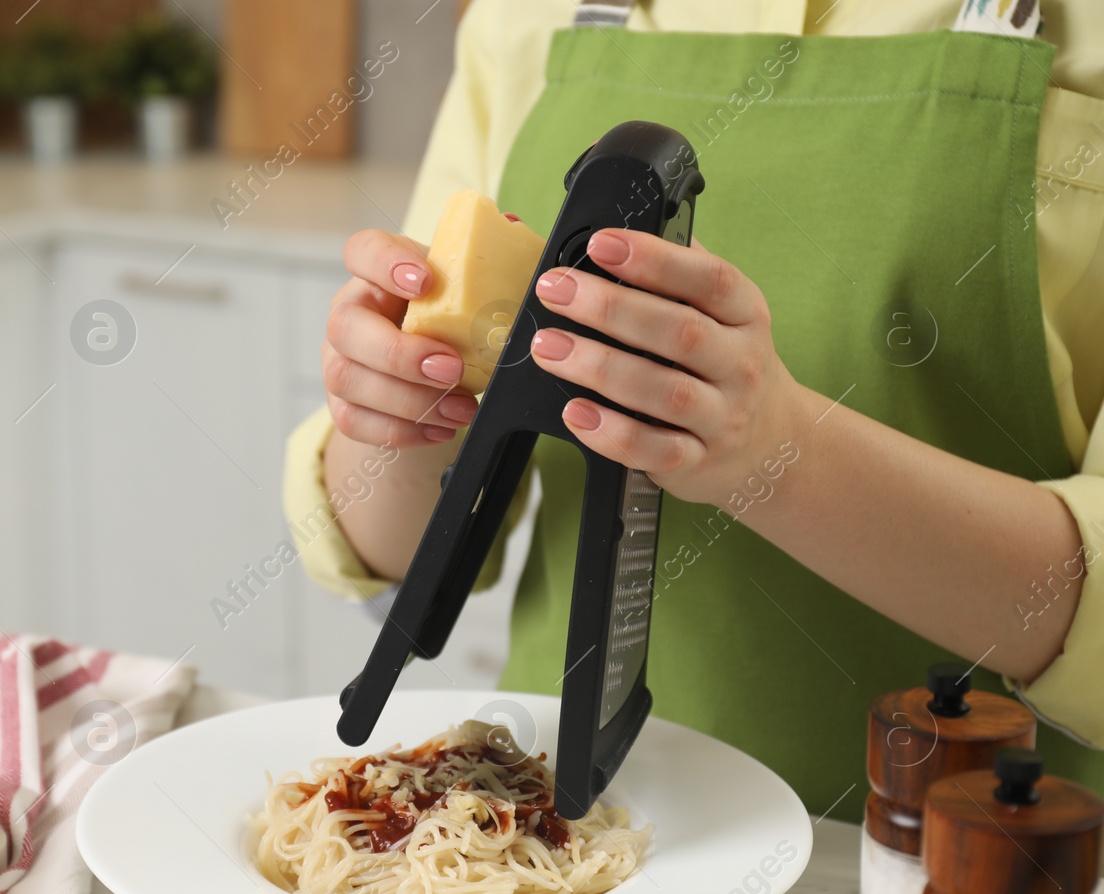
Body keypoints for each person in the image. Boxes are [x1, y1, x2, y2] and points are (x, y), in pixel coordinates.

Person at [282, 0, 1104, 822]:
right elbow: (388, 556)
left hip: (959, 883)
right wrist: (400, 388)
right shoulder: (522, 15)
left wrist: (778, 452)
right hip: (532, 842)